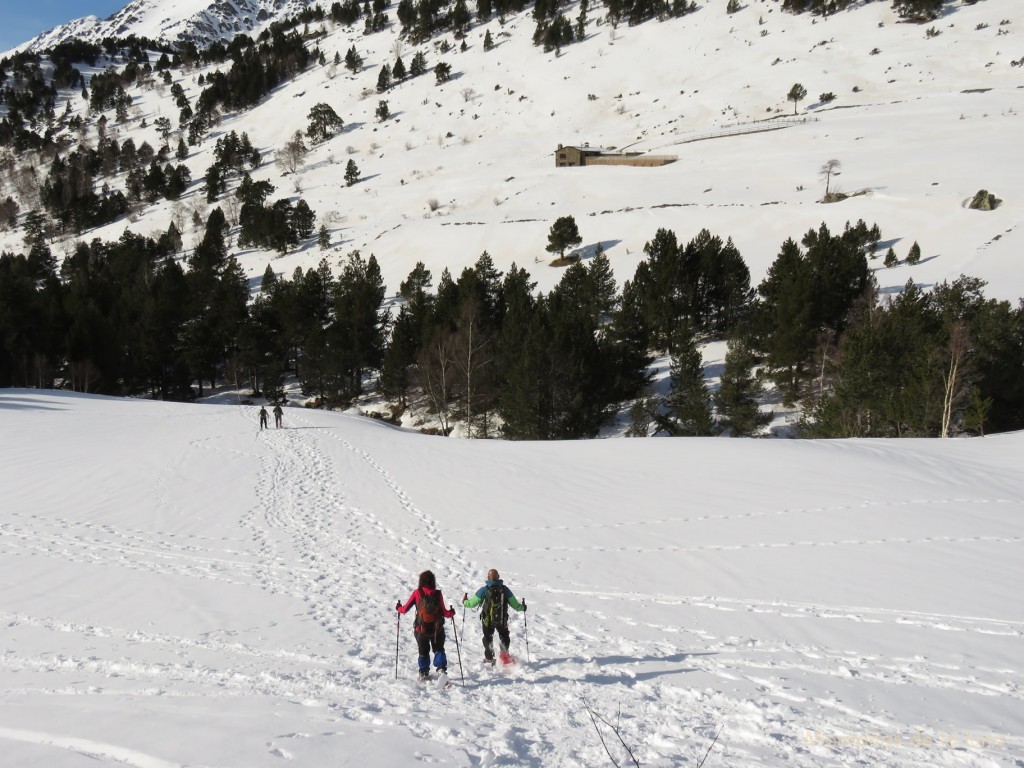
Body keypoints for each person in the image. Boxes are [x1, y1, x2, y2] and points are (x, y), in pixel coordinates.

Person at [397, 570, 456, 681]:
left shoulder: (417, 593)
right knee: (439, 649)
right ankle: (441, 669)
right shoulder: (437, 594)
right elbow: (445, 612)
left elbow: (404, 609)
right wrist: (451, 613)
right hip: (436, 630)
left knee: (423, 650)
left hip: (421, 629)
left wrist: (398, 608)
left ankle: (424, 672)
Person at [463, 568, 526, 665]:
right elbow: (515, 605)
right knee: (504, 636)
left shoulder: (484, 590)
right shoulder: (505, 590)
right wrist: (523, 607)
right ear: (498, 577)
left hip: (487, 621)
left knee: (487, 638)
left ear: (488, 578)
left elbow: (471, 604)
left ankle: (489, 658)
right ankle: (504, 656)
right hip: (502, 620)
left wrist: (465, 601)